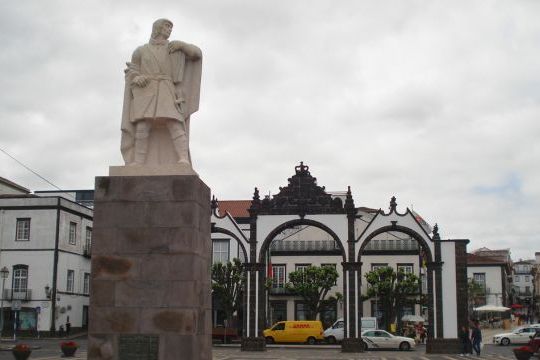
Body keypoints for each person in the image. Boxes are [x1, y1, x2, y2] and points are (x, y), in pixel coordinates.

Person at [121, 18, 202, 166]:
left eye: (171, 27)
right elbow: (132, 71)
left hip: (167, 89)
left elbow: (196, 54)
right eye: (167, 26)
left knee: (174, 123)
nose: (170, 30)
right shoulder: (140, 51)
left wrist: (183, 45)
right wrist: (137, 78)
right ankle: (138, 162)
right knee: (142, 126)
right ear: (157, 28)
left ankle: (183, 159)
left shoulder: (174, 48)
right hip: (146, 91)